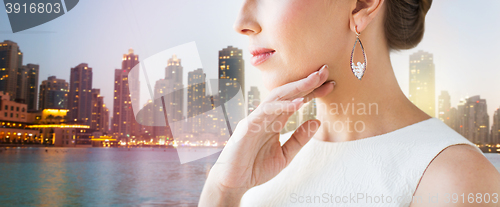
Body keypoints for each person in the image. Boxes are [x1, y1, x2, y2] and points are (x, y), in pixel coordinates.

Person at [199, 0, 500, 206]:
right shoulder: (255, 166)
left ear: (362, 4)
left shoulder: (455, 182)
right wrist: (222, 191)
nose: (242, 23)